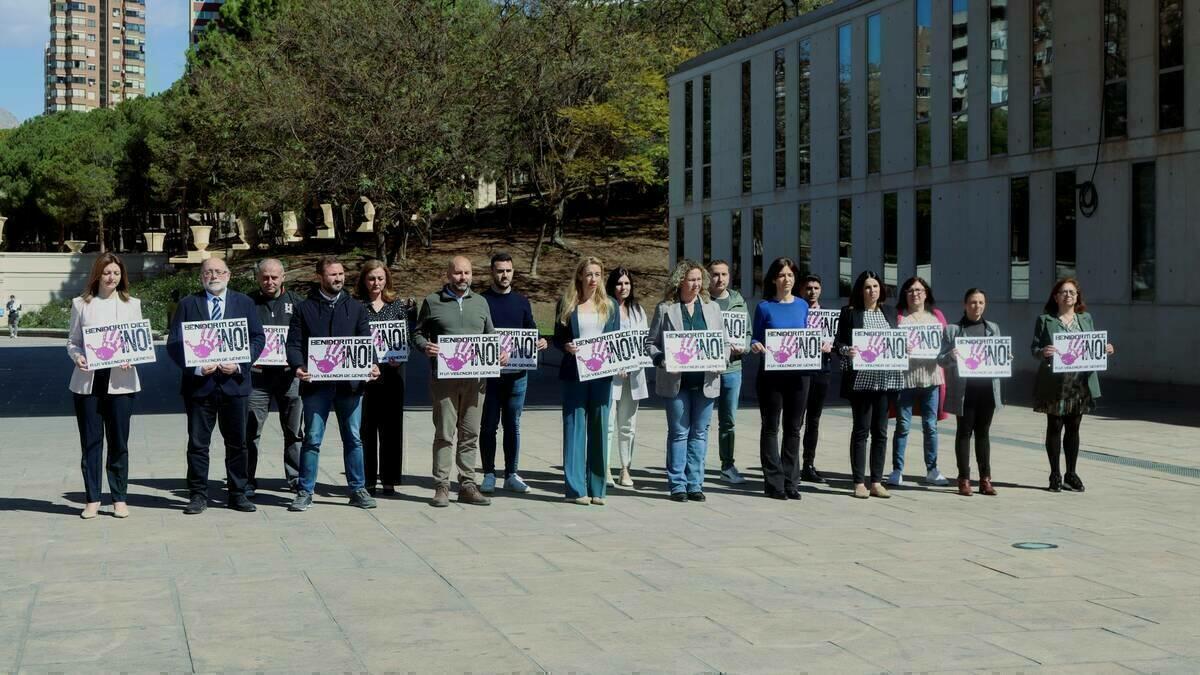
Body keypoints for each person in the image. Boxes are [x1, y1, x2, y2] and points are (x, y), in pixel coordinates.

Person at [167, 258, 266, 515]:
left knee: (238, 443)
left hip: (235, 384)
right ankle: (198, 495)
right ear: (201, 277)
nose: (214, 275)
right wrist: (196, 367)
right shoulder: (188, 305)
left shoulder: (244, 303)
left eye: (218, 271)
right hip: (200, 386)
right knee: (198, 444)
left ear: (228, 275)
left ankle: (237, 493)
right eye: (208, 272)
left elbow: (258, 337)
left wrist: (241, 365)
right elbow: (175, 343)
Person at [285, 256, 380, 512]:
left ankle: (358, 488)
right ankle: (305, 491)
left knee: (353, 438)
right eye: (332, 275)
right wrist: (298, 366)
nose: (338, 279)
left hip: (350, 385)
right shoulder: (304, 309)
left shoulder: (357, 308)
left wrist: (372, 364)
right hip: (317, 386)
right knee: (312, 439)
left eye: (340, 274)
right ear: (320, 277)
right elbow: (293, 343)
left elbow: (365, 342)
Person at [412, 255, 503, 507]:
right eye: (458, 273)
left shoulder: (481, 302)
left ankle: (467, 484)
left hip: (476, 380)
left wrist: (499, 354)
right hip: (444, 380)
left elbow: (490, 336)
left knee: (470, 433)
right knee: (444, 433)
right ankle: (441, 486)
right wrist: (424, 347)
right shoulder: (432, 301)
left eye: (467, 273)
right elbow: (417, 333)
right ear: (448, 274)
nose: (463, 278)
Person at [66, 254, 142, 519]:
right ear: (98, 274)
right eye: (107, 272)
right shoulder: (81, 304)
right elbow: (73, 341)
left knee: (119, 442)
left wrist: (132, 357)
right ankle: (93, 499)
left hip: (121, 382)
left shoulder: (132, 304)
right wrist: (78, 357)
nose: (112, 278)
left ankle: (119, 497)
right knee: (91, 442)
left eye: (117, 273)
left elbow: (137, 342)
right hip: (88, 383)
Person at [648, 259, 727, 502]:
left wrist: (721, 358)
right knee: (679, 432)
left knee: (700, 434)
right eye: (691, 279)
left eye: (698, 279)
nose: (696, 284)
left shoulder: (712, 308)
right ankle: (677, 484)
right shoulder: (666, 308)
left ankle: (696, 484)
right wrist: (661, 359)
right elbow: (651, 343)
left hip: (706, 380)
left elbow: (721, 342)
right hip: (676, 381)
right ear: (680, 281)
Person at [1031, 278, 1115, 493]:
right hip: (1055, 383)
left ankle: (1071, 473)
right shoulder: (1046, 320)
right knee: (1055, 426)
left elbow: (1092, 345)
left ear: (1077, 297)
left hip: (1079, 382)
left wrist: (1104, 349)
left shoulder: (1085, 319)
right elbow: (1035, 348)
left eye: (1072, 292)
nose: (1068, 295)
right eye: (1063, 292)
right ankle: (1055, 473)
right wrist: (1043, 352)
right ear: (1056, 296)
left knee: (1074, 428)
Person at [554, 257, 620, 505]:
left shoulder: (610, 305)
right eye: (589, 274)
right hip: (574, 374)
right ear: (580, 276)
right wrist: (566, 346)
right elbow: (557, 337)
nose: (593, 279)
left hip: (601, 376)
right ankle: (575, 488)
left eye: (597, 274)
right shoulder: (567, 303)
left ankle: (597, 488)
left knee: (600, 429)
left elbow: (615, 340)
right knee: (574, 429)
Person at [480, 252, 546, 494]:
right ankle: (488, 473)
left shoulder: (521, 301)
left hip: (518, 374)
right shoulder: (481, 301)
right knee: (488, 426)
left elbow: (531, 330)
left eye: (508, 270)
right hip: (490, 375)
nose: (504, 275)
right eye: (499, 270)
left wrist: (540, 341)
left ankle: (511, 474)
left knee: (513, 425)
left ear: (513, 272)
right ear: (491, 272)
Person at [835, 270, 904, 499]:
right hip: (861, 381)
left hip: (885, 380)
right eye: (867, 287)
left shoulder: (891, 313)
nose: (872, 291)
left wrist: (904, 348)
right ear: (860, 290)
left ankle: (876, 480)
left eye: (875, 286)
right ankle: (858, 481)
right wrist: (847, 350)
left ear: (881, 290)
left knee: (881, 432)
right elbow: (839, 343)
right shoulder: (850, 313)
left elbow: (896, 341)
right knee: (861, 430)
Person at [749, 257, 811, 500]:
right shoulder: (764, 307)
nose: (787, 280)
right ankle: (773, 481)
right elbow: (755, 337)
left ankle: (791, 480)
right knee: (771, 427)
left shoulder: (803, 305)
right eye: (782, 275)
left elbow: (807, 336)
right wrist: (756, 345)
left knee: (794, 428)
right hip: (772, 375)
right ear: (774, 279)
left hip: (799, 376)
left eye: (791, 275)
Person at [357, 259, 416, 496]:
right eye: (371, 278)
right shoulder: (356, 306)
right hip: (365, 376)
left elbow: (406, 339)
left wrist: (401, 356)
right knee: (366, 428)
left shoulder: (397, 306)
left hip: (392, 374)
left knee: (391, 428)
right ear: (364, 280)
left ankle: (390, 479)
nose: (376, 283)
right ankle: (368, 479)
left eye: (380, 278)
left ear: (386, 280)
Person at [245, 258, 304, 495]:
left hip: (289, 377)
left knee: (294, 432)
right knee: (250, 431)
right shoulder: (246, 302)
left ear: (283, 277)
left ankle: (296, 478)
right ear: (257, 278)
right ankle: (246, 480)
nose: (269, 281)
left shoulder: (298, 303)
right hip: (257, 378)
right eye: (265, 277)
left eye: (274, 277)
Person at [938, 288, 1005, 496]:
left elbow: (998, 354)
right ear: (965, 305)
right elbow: (940, 359)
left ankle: (985, 479)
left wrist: (1005, 358)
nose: (977, 306)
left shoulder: (992, 328)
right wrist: (951, 355)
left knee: (983, 434)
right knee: (964, 433)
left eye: (981, 303)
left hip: (987, 389)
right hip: (965, 390)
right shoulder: (953, 330)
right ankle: (964, 478)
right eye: (973, 302)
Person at [887, 276, 950, 487]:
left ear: (926, 293)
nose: (915, 294)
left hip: (931, 378)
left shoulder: (937, 316)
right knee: (903, 426)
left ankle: (932, 470)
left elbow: (947, 344)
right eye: (911, 290)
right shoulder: (898, 317)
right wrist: (899, 347)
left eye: (920, 290)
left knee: (930, 426)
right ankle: (897, 470)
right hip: (906, 379)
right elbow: (888, 345)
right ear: (905, 294)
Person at [605, 266, 648, 488]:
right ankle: (605, 469)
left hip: (633, 375)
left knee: (628, 425)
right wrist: (615, 364)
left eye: (627, 284)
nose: (624, 288)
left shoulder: (638, 311)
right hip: (611, 376)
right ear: (612, 286)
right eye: (620, 283)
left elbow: (644, 343)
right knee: (609, 424)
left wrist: (634, 363)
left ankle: (625, 468)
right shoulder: (604, 308)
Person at [708, 260, 749, 485]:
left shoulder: (738, 301)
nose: (720, 279)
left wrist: (745, 345)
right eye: (715, 274)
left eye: (724, 274)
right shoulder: (702, 301)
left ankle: (727, 465)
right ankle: (693, 465)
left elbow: (748, 332)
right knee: (700, 421)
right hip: (706, 369)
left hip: (732, 368)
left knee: (728, 420)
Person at [799, 274, 832, 483]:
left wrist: (832, 346)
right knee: (796, 418)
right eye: (809, 288)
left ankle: (808, 463)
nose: (812, 292)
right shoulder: (798, 311)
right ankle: (791, 462)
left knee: (814, 419)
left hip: (822, 368)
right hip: (800, 368)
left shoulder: (828, 316)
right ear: (802, 290)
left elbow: (839, 341)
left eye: (816, 288)